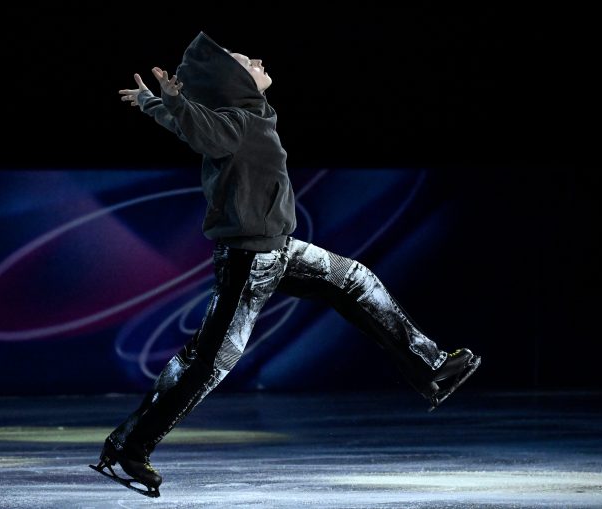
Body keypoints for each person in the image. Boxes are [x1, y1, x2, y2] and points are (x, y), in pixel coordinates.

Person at [91, 31, 481, 494]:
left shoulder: (250, 117)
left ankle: (431, 366)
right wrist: (174, 102)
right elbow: (203, 131)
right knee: (209, 363)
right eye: (247, 62)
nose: (258, 60)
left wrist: (155, 104)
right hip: (249, 260)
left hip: (279, 249)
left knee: (356, 280)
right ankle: (129, 447)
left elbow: (193, 127)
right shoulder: (236, 122)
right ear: (234, 81)